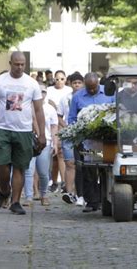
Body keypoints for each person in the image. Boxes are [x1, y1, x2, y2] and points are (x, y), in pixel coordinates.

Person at [0, 51, 46, 215]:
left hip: (24, 131)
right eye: (16, 64)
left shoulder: (31, 83)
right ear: (10, 63)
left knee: (20, 167)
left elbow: (39, 110)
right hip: (4, 129)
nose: (19, 67)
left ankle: (15, 202)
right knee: (1, 165)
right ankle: (4, 191)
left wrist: (42, 134)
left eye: (22, 64)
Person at [68, 72, 115, 212]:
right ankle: (92, 201)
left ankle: (106, 198)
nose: (92, 90)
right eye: (89, 88)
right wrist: (76, 134)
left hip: (106, 139)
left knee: (107, 169)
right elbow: (72, 118)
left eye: (94, 87)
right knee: (88, 170)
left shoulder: (109, 93)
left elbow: (116, 111)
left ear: (98, 83)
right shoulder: (77, 97)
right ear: (84, 84)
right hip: (86, 140)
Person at [24, 85, 59, 206]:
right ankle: (28, 197)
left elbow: (54, 126)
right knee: (29, 170)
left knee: (43, 172)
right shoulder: (27, 106)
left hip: (46, 142)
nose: (41, 94)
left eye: (43, 91)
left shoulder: (50, 109)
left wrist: (55, 143)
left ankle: (44, 194)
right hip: (29, 141)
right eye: (38, 91)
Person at [60, 72, 85, 205]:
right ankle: (69, 192)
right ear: (70, 84)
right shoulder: (65, 98)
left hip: (83, 134)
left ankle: (80, 192)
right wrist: (67, 127)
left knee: (82, 165)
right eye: (74, 83)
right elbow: (60, 115)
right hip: (69, 134)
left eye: (79, 83)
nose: (77, 85)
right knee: (70, 163)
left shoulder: (85, 97)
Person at [46, 70, 73, 193]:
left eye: (62, 79)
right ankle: (54, 180)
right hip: (52, 122)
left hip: (64, 124)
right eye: (57, 79)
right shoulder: (49, 90)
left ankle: (63, 181)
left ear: (65, 79)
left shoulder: (69, 91)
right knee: (54, 155)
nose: (59, 81)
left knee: (61, 153)